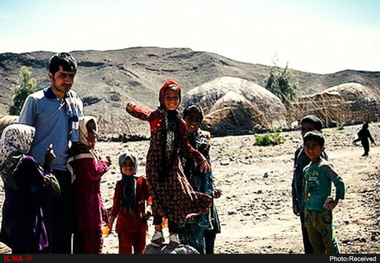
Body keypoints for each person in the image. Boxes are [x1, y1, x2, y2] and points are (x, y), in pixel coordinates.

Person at [125, 79, 212, 249]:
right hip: (155, 164)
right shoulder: (155, 116)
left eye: (175, 97)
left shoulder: (180, 123)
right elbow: (142, 113)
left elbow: (185, 146)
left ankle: (173, 234)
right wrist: (131, 107)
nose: (172, 100)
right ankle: (158, 232)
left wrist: (199, 157)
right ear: (161, 98)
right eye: (168, 97)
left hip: (173, 164)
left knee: (174, 196)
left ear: (179, 99)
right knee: (157, 197)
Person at [18, 52, 83, 253]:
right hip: (39, 175)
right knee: (42, 232)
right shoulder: (35, 101)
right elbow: (20, 141)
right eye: (62, 75)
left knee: (64, 230)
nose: (67, 81)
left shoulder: (76, 103)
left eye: (71, 75)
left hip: (65, 173)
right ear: (50, 75)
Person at [0, 124, 60, 253]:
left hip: (11, 216)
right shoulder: (27, 161)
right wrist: (48, 163)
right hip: (28, 218)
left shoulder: (6, 161)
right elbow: (42, 181)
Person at [178, 104, 221, 254]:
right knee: (182, 242)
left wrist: (211, 189)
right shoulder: (176, 141)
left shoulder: (203, 143)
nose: (193, 122)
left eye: (197, 119)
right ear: (183, 119)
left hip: (201, 194)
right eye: (190, 118)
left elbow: (207, 171)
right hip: (180, 196)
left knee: (203, 239)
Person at [67, 116, 111, 254]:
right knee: (94, 238)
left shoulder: (83, 149)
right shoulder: (83, 152)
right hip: (87, 203)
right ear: (82, 131)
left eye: (94, 129)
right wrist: (105, 163)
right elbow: (93, 173)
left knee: (82, 239)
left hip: (85, 201)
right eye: (89, 129)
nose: (93, 133)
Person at [302, 130, 345, 254]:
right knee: (316, 245)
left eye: (314, 147)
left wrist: (336, 201)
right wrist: (304, 208)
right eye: (307, 147)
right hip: (309, 213)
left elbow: (339, 182)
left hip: (323, 212)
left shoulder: (325, 166)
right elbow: (305, 189)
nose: (310, 150)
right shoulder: (306, 169)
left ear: (322, 148)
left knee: (329, 243)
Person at [291, 114, 327, 254]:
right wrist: (295, 200)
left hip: (316, 205)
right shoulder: (300, 152)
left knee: (319, 238)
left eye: (309, 129)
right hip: (303, 202)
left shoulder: (319, 155)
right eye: (303, 129)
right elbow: (296, 178)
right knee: (307, 237)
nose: (305, 132)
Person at [107, 151, 152, 254]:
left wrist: (149, 207)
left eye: (131, 164)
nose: (128, 167)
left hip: (140, 224)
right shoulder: (120, 185)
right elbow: (116, 205)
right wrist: (111, 222)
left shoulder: (142, 181)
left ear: (135, 165)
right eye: (125, 164)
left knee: (140, 251)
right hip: (124, 226)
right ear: (120, 166)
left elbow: (150, 196)